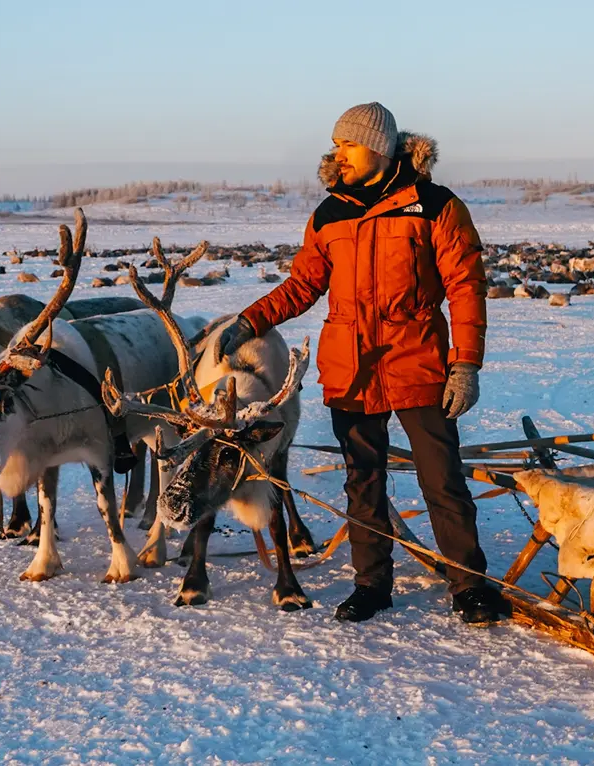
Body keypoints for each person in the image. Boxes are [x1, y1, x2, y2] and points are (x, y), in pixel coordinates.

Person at [218, 102, 509, 626]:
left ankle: (471, 587)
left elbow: (466, 287)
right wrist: (250, 320)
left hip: (418, 361)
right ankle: (371, 585)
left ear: (377, 145)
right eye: (336, 145)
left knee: (441, 479)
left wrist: (465, 365)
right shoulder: (331, 213)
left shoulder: (434, 204)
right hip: (351, 365)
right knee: (362, 481)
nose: (338, 155)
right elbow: (304, 284)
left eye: (347, 144)